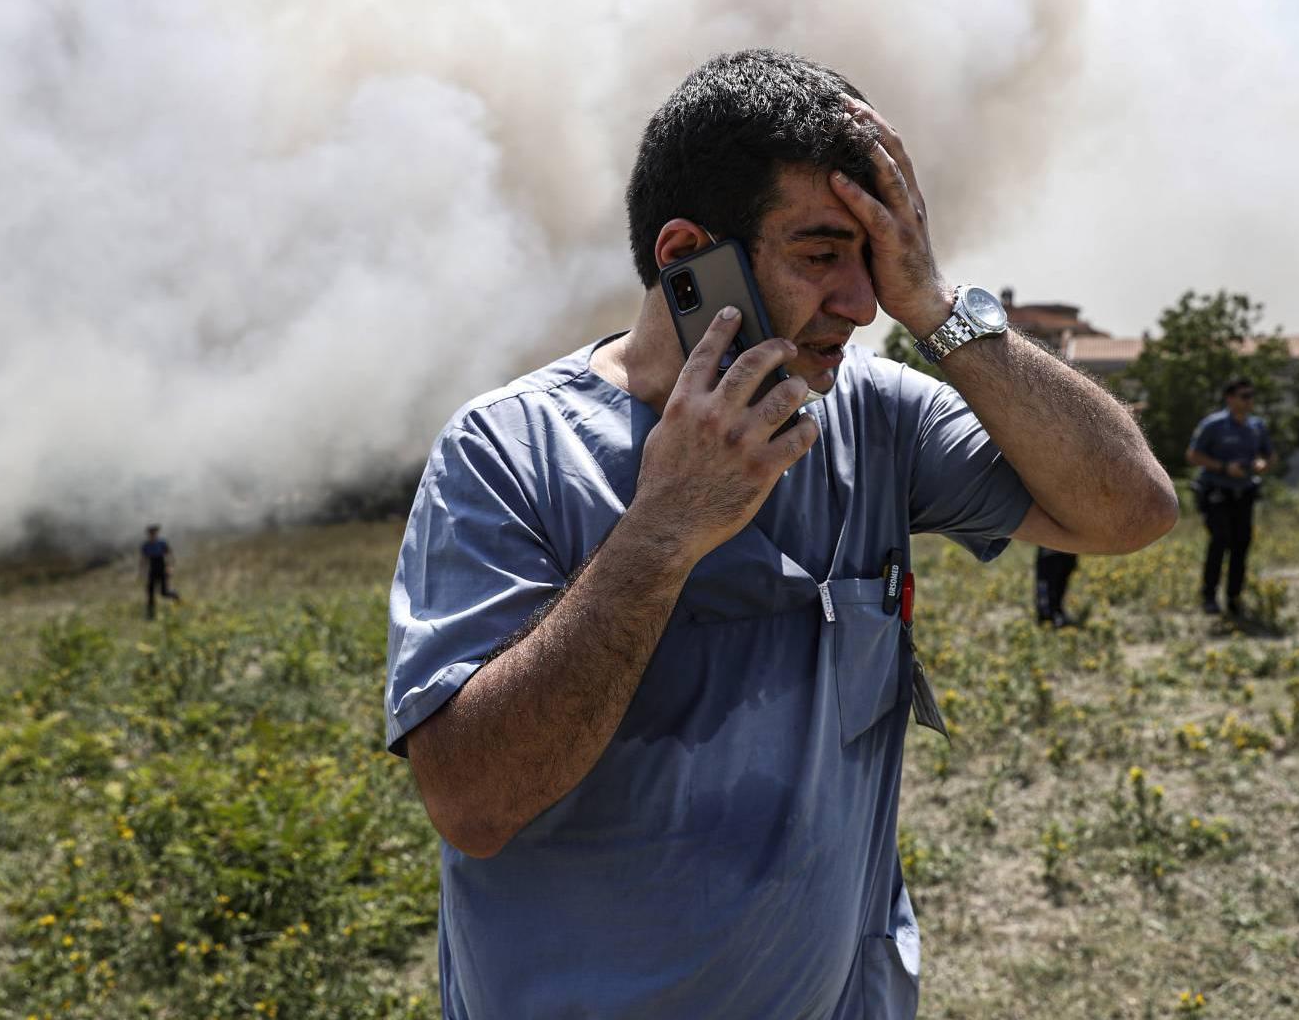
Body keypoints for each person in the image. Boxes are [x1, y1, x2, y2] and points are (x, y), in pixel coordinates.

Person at [384, 49, 1177, 1017]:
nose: (860, 301)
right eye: (819, 254)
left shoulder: (875, 416)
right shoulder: (507, 449)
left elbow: (1132, 508)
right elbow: (472, 802)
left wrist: (938, 307)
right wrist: (664, 528)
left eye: (875, 255)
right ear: (688, 260)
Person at [1185, 379, 1273, 619]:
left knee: (1241, 544)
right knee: (1220, 540)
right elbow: (1193, 455)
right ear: (1230, 398)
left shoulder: (1257, 426)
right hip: (1216, 492)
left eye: (1251, 395)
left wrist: (1262, 464)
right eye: (1244, 395)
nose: (1249, 401)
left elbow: (1270, 455)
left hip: (1244, 493)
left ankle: (1234, 598)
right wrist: (1224, 467)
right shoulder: (1213, 425)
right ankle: (1209, 596)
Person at [139, 524, 179, 618]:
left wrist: (170, 567)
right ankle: (151, 614)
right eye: (151, 533)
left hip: (162, 568)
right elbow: (143, 559)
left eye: (154, 533)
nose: (152, 534)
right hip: (153, 570)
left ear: (156, 533)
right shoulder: (146, 545)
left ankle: (175, 596)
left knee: (164, 592)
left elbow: (170, 555)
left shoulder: (162, 543)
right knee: (150, 591)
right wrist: (141, 572)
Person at [1035, 546, 1080, 627]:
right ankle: (1047, 619)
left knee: (1062, 582)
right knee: (1047, 584)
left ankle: (1058, 613)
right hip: (1049, 549)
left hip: (1070, 547)